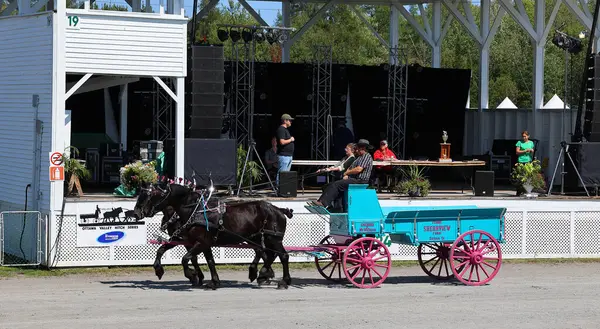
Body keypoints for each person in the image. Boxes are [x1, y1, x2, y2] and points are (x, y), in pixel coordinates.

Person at [312, 139, 373, 208]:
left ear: (363, 148)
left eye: (358, 148)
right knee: (331, 185)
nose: (357, 150)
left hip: (360, 180)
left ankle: (323, 203)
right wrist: (347, 174)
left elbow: (358, 169)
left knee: (336, 184)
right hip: (353, 179)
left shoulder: (366, 156)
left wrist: (347, 172)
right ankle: (336, 207)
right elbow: (351, 168)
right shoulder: (358, 158)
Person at [276, 114, 295, 186]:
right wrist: (291, 139)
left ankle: (284, 189)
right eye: (289, 120)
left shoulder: (286, 130)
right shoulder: (281, 129)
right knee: (282, 174)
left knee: (286, 175)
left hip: (288, 156)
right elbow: (282, 142)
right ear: (285, 121)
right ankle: (279, 189)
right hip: (284, 156)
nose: (291, 122)